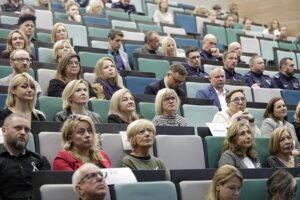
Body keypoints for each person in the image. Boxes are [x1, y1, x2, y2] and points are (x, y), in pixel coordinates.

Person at [0, 113, 50, 199]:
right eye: (18, 128)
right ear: (4, 131)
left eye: (27, 130)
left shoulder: (40, 160)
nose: (23, 132)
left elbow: (47, 191)